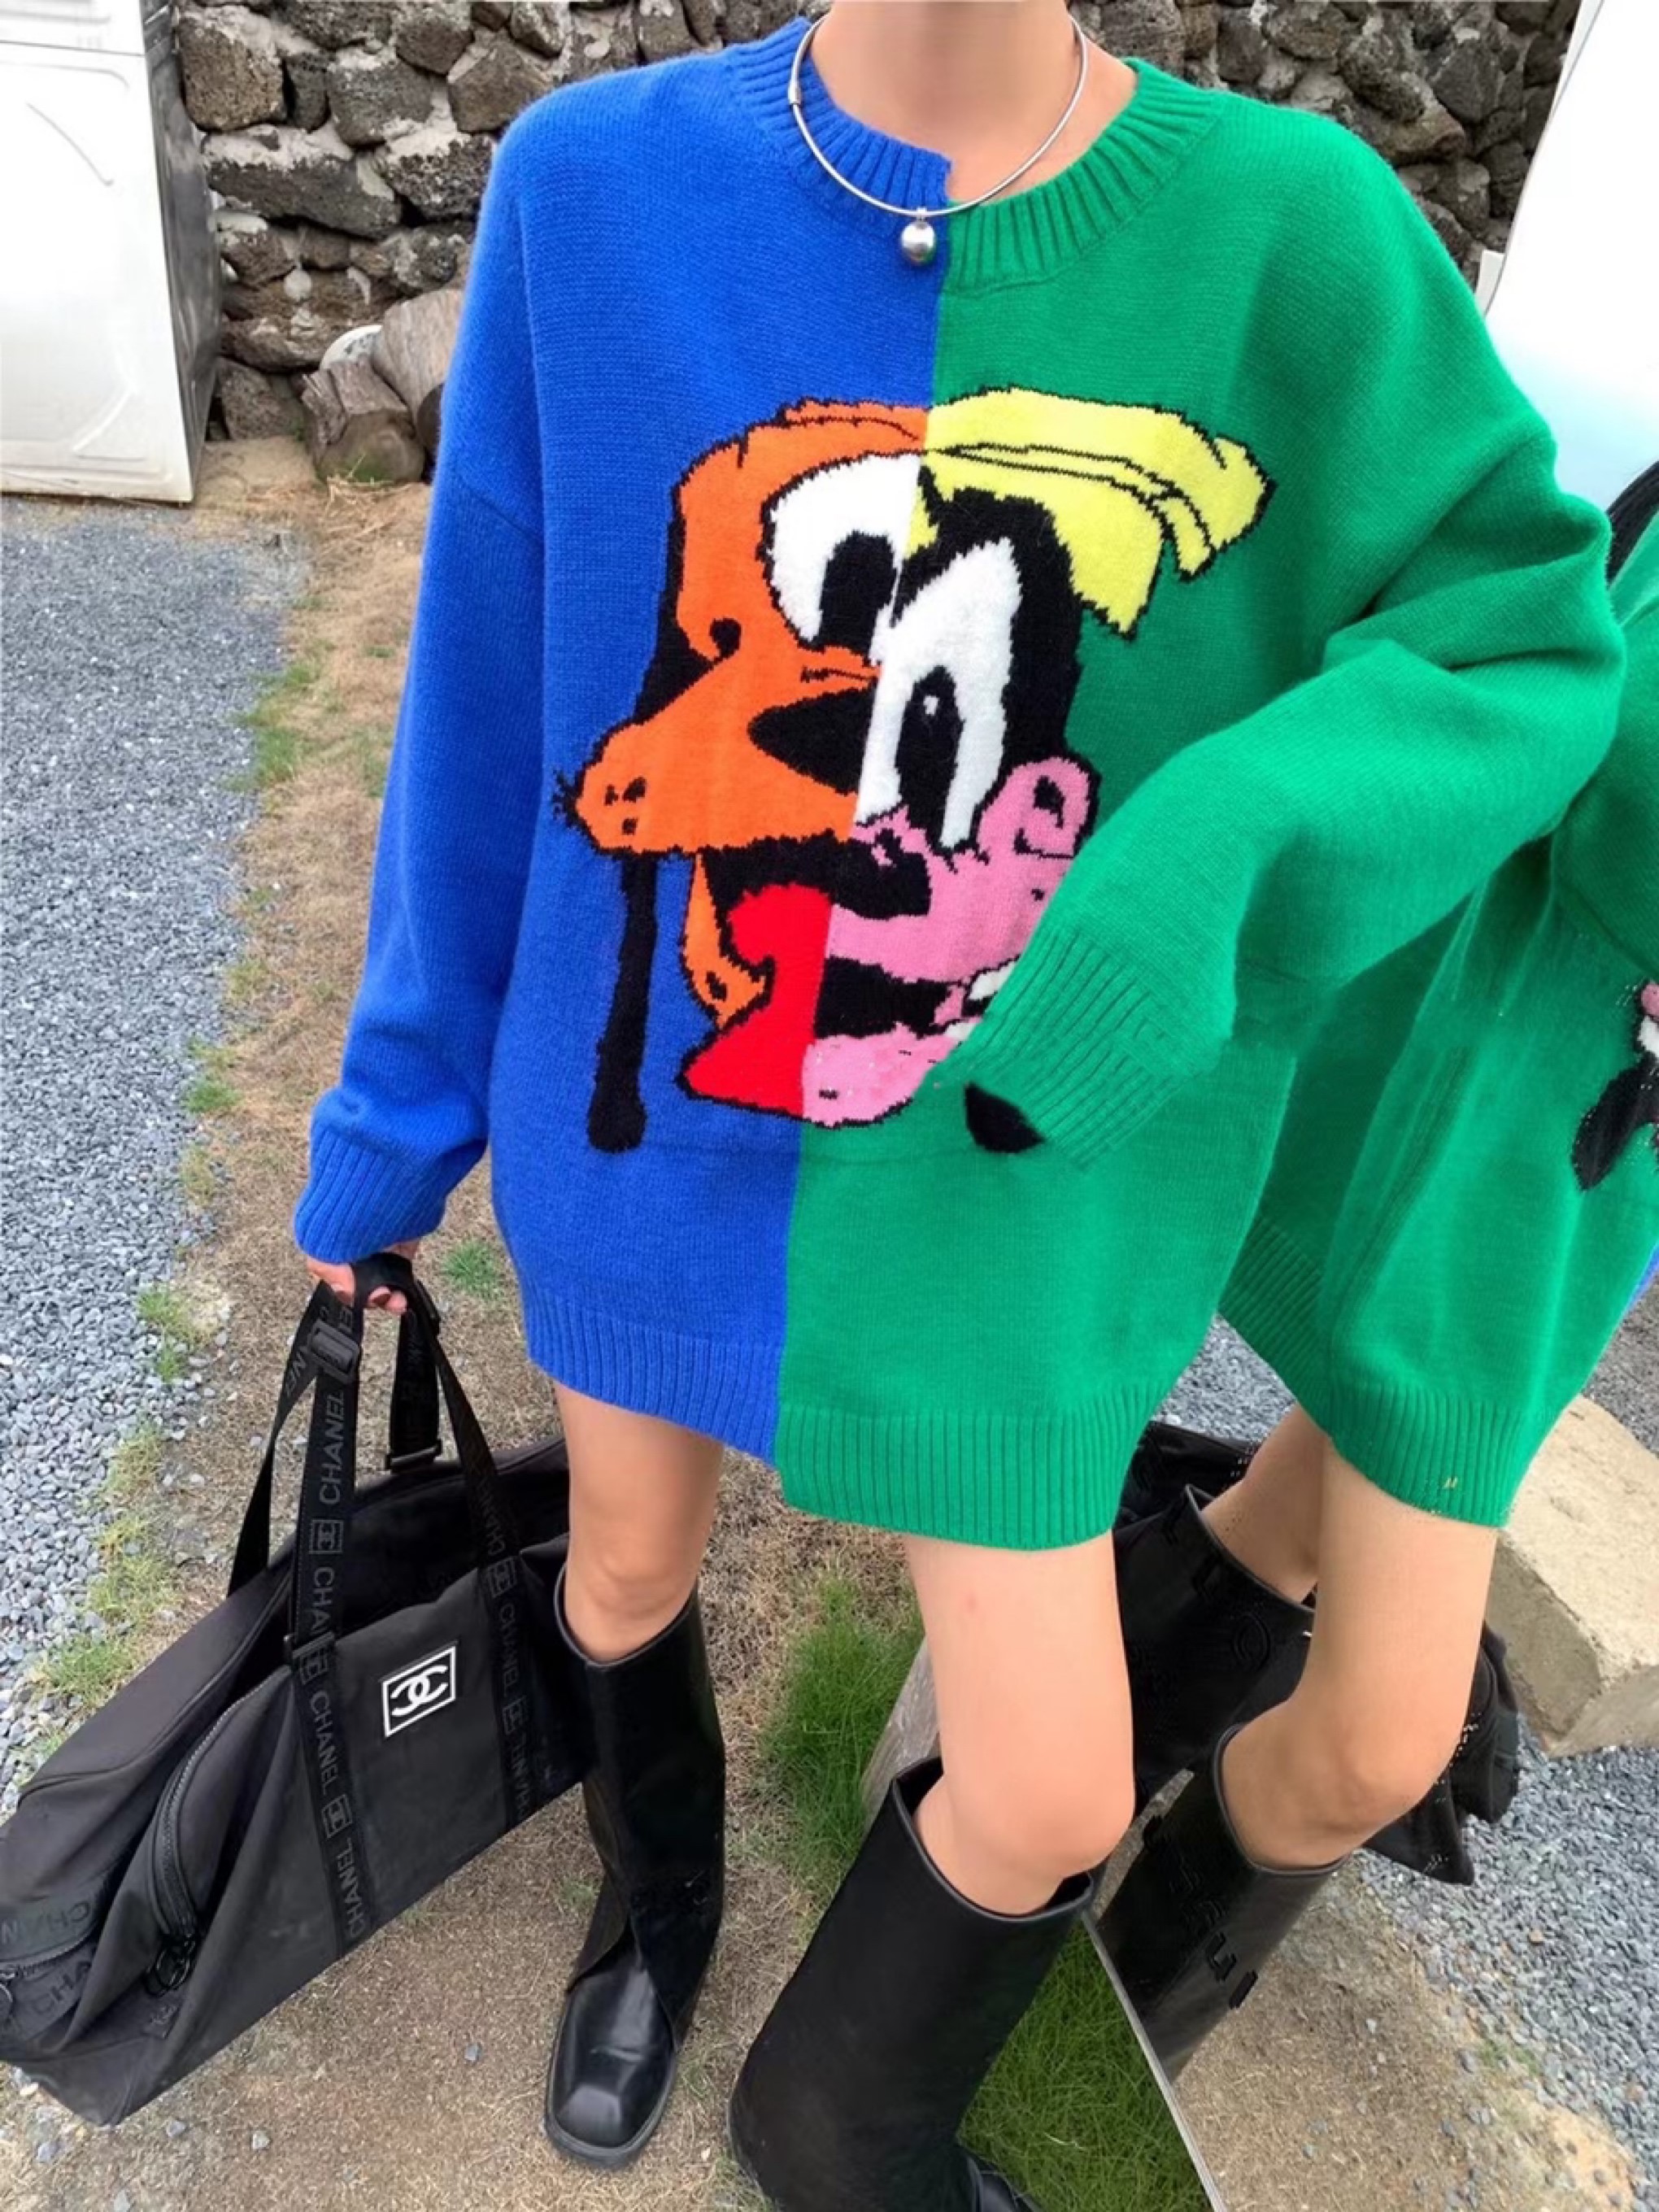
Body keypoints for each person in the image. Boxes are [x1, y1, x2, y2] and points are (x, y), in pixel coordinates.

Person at [292, 6, 1626, 2204]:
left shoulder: (1296, 235)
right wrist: (392, 1127)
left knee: (1055, 1779)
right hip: (646, 1126)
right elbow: (491, 694)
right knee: (620, 1569)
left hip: (1005, 1177)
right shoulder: (592, 189)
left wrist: (1216, 858)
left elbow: (1526, 634)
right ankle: (657, 1901)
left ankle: (828, 2109)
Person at [1100, 469, 1659, 2075]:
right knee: (1382, 1736)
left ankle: (1045, 1858)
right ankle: (1075, 1985)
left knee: (1290, 1516)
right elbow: (1621, 778)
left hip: (1565, 1159)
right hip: (1502, 1108)